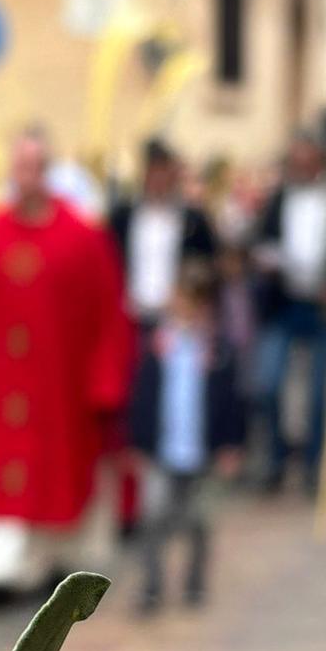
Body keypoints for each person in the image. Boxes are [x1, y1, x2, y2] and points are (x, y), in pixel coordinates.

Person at [0, 127, 131, 601]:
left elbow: (109, 315)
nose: (27, 177)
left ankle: (54, 564)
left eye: (36, 167)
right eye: (20, 167)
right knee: (0, 479)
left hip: (61, 388)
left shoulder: (85, 237)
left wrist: (105, 381)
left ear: (48, 172)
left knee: (58, 479)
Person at [129, 262, 246, 615]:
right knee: (152, 517)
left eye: (194, 304)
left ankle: (194, 580)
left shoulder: (218, 351)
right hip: (162, 449)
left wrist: (231, 445)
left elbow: (231, 401)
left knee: (199, 520)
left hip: (202, 451)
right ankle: (151, 585)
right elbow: (142, 397)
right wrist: (138, 442)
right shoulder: (157, 347)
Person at [252, 132, 326, 495]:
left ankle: (313, 464)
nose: (302, 169)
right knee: (269, 382)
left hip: (322, 305)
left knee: (319, 391)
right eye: (297, 162)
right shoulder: (279, 199)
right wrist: (269, 260)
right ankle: (276, 458)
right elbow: (261, 242)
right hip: (284, 302)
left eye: (308, 162)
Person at [109, 137, 215, 329]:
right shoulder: (123, 217)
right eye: (153, 172)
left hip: (176, 320)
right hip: (130, 316)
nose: (158, 180)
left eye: (163, 172)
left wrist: (189, 294)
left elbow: (208, 264)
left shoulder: (193, 220)